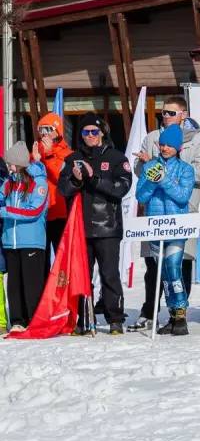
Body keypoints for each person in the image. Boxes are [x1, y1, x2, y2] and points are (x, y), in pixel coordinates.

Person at [128, 97, 200, 332]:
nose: (165, 116)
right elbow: (141, 187)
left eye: (170, 113)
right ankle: (152, 311)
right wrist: (149, 169)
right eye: (163, 113)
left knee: (178, 267)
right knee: (156, 269)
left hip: (182, 215)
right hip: (155, 219)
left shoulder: (196, 140)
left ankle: (179, 315)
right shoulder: (152, 138)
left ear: (182, 114)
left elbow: (199, 173)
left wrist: (166, 176)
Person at [58, 113, 132, 335]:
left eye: (94, 131)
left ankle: (115, 319)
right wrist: (76, 180)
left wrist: (95, 178)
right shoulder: (72, 159)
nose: (89, 135)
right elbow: (63, 189)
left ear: (102, 133)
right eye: (85, 132)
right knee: (82, 276)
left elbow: (121, 188)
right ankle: (84, 318)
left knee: (109, 274)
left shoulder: (117, 157)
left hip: (108, 227)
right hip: (80, 228)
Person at [134, 124, 196, 335]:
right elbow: (140, 197)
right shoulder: (150, 165)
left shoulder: (186, 169)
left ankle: (180, 316)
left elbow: (182, 196)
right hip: (154, 228)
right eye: (162, 144)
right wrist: (152, 181)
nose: (165, 148)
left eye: (170, 145)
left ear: (178, 147)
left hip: (176, 228)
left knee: (174, 269)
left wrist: (165, 180)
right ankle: (171, 315)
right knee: (162, 274)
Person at [2, 142, 49, 332]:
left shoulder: (39, 183)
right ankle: (18, 320)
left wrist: (4, 211)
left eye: (11, 163)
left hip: (31, 240)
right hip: (10, 241)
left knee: (32, 283)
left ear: (20, 162)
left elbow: (33, 211)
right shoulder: (9, 183)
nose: (9, 167)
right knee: (14, 284)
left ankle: (34, 319)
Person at [33, 112, 72, 260]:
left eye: (48, 129)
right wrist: (35, 161)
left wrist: (49, 155)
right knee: (40, 260)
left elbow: (60, 178)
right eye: (41, 130)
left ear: (58, 131)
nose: (45, 134)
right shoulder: (36, 153)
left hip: (60, 212)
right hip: (39, 215)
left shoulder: (67, 154)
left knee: (62, 257)